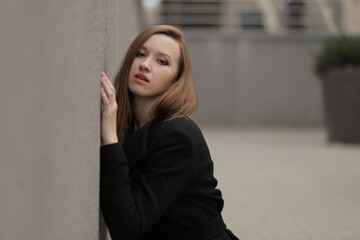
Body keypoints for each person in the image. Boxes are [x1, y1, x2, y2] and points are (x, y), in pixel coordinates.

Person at [100, 25, 239, 240]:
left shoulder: (178, 135)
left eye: (162, 61)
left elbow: (127, 228)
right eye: (141, 54)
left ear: (175, 79)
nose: (145, 65)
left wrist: (110, 140)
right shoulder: (130, 127)